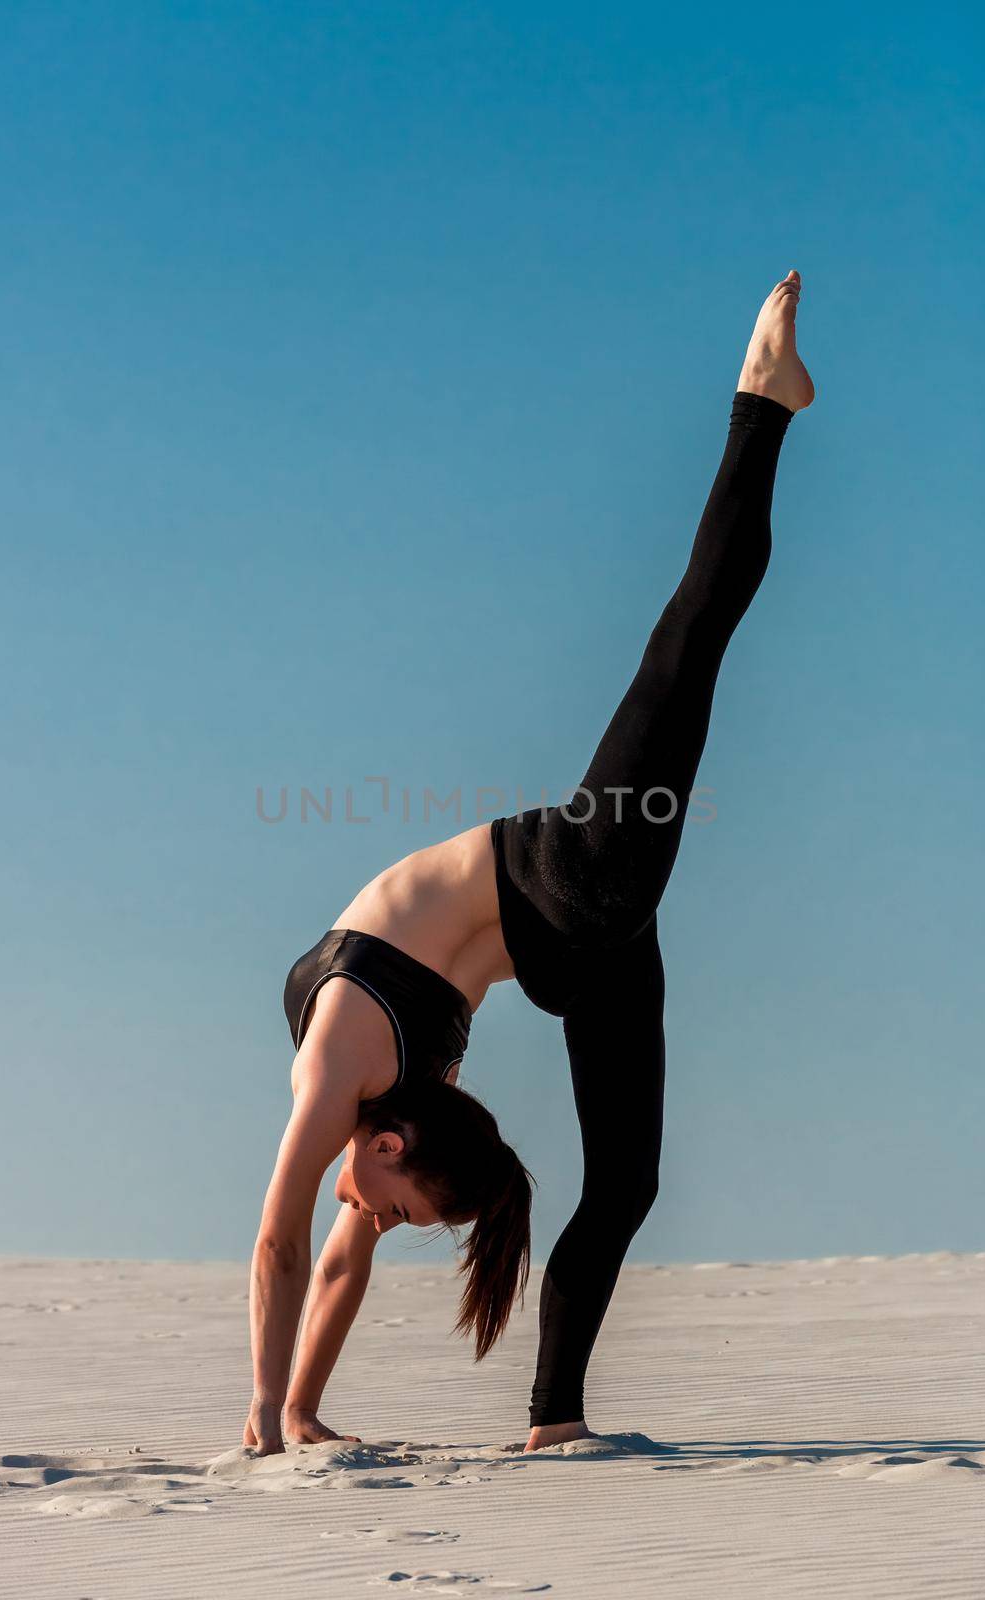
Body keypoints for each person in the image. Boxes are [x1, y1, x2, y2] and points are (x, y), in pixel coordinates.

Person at [243, 270, 814, 1456]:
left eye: (391, 1208)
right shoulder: (394, 1115)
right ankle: (556, 1424)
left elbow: (287, 1242)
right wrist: (303, 1412)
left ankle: (759, 400)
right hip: (584, 941)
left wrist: (261, 1413)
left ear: (385, 1149)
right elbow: (342, 1255)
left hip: (560, 876)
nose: (379, 1223)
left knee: (686, 646)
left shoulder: (339, 1061)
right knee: (629, 1183)